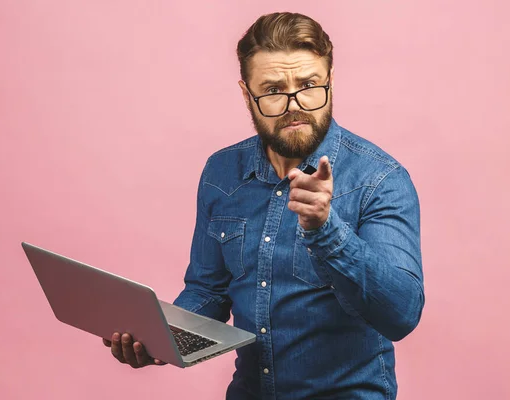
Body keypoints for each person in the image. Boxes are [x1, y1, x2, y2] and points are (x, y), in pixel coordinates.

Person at [103, 12, 424, 400]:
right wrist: (161, 338)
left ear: (330, 81)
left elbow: (401, 314)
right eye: (273, 89)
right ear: (246, 94)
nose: (294, 104)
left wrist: (327, 230)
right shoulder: (221, 172)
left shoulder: (380, 179)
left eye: (309, 85)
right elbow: (210, 290)